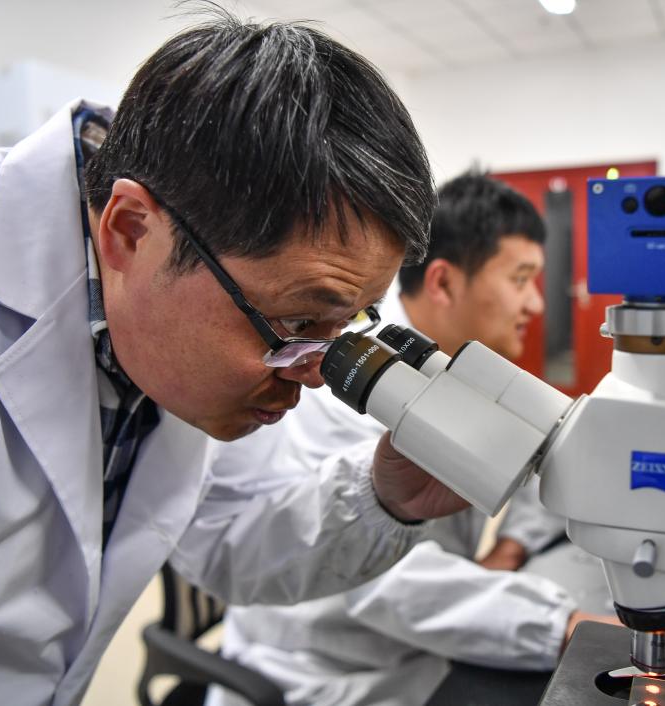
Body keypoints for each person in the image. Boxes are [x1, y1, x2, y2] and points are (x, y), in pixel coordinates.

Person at [0, 11, 470, 705]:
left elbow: (228, 535)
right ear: (130, 230)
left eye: (348, 321)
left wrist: (388, 494)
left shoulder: (177, 318)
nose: (317, 373)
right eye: (299, 321)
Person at [206, 173, 611, 706]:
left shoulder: (457, 362)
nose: (535, 303)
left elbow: (534, 458)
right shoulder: (349, 387)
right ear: (443, 283)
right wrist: (562, 625)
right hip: (329, 670)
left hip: (412, 646)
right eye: (520, 279)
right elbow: (386, 582)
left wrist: (509, 548)